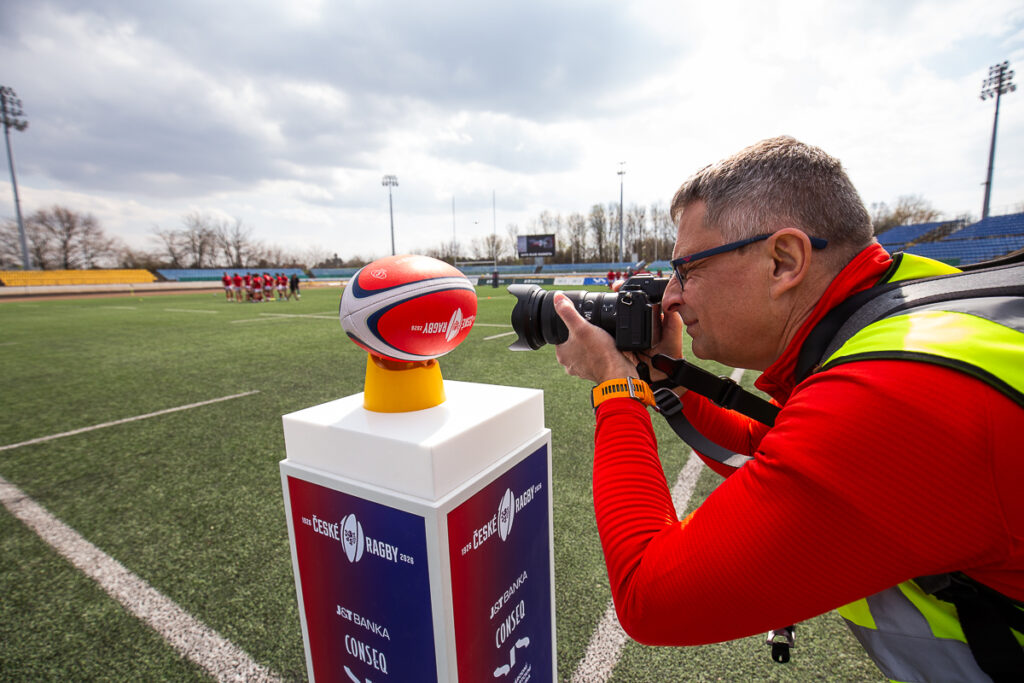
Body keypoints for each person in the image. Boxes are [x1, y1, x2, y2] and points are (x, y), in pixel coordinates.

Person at [551, 136, 1022, 682]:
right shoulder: (912, 303)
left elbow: (649, 597)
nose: (672, 297)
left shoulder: (892, 394)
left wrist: (616, 387)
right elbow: (765, 455)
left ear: (784, 260)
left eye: (687, 269)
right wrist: (665, 379)